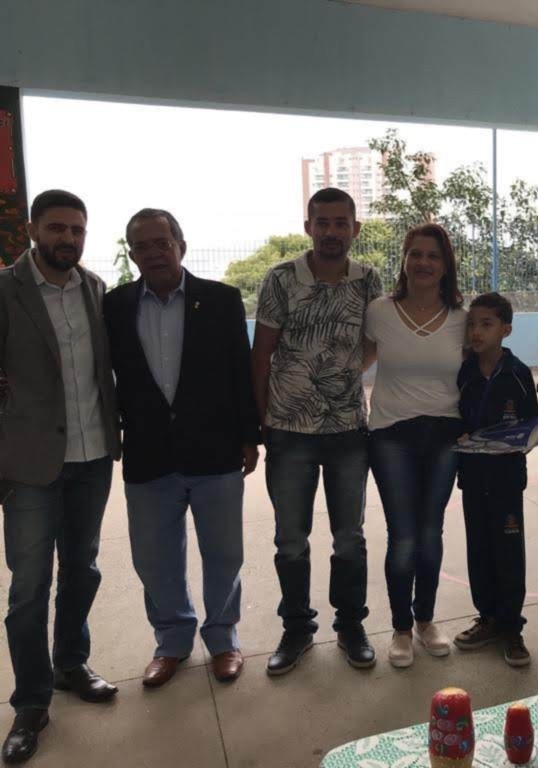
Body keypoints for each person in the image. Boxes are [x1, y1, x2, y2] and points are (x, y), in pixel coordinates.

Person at [104, 208, 260, 687]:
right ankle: (171, 642)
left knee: (224, 554)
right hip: (148, 454)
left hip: (216, 451)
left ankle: (223, 639)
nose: (153, 252)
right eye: (142, 245)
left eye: (162, 242)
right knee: (154, 559)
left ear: (181, 246)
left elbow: (240, 371)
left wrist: (249, 437)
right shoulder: (113, 306)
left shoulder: (221, 299)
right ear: (132, 254)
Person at [0, 190, 121, 763]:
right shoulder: (6, 290)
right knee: (29, 588)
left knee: (82, 569)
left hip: (92, 456)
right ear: (33, 230)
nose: (67, 238)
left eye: (76, 229)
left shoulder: (94, 288)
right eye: (56, 228)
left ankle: (71, 664)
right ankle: (31, 702)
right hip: (30, 465)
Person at [252, 187, 382, 674]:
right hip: (289, 432)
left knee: (350, 537)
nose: (331, 232)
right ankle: (297, 629)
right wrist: (264, 422)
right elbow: (261, 354)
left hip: (348, 430)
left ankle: (350, 625)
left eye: (340, 222)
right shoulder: (281, 278)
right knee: (290, 539)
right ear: (308, 227)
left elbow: (371, 344)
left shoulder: (368, 279)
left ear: (355, 228)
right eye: (322, 222)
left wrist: (340, 376)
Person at [364, 223, 466, 668]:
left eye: (433, 256)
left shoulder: (462, 319)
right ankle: (401, 628)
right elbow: (358, 361)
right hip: (391, 436)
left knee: (430, 532)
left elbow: (479, 374)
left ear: (446, 265)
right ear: (404, 260)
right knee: (403, 535)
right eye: (415, 254)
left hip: (445, 436)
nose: (423, 262)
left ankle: (426, 619)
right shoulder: (380, 312)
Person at [452, 293, 538, 667]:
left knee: (508, 551)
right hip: (472, 476)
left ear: (506, 329)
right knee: (479, 548)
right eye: (472, 324)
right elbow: (453, 417)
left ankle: (512, 628)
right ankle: (487, 618)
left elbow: (533, 424)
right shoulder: (463, 372)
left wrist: (518, 441)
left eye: (486, 324)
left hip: (506, 478)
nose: (476, 331)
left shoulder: (518, 374)